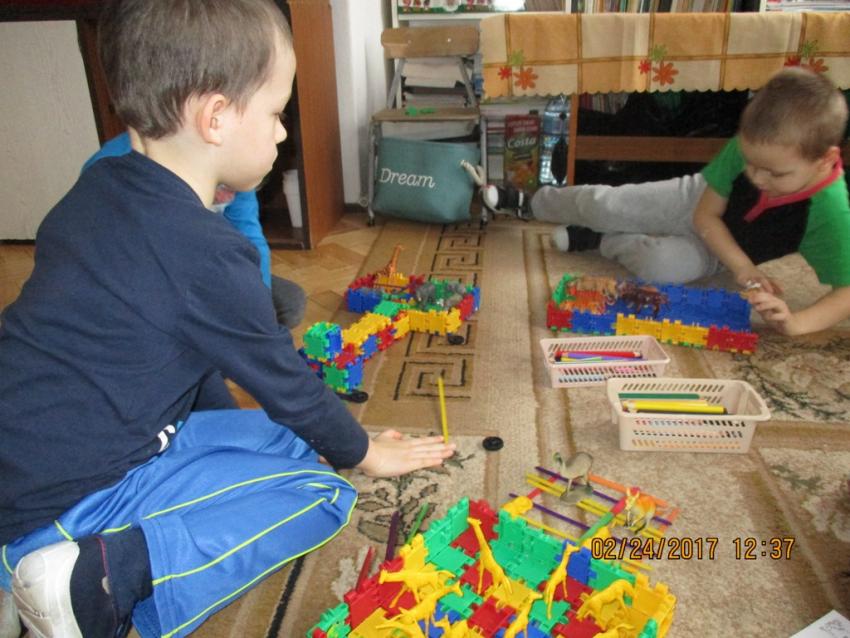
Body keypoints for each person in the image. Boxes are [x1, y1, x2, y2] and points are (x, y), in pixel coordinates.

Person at [0, 2, 456, 637]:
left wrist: (246, 441)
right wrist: (366, 453)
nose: (281, 134)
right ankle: (96, 577)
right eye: (275, 113)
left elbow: (189, 363)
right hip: (66, 498)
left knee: (298, 442)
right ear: (215, 117)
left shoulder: (95, 190)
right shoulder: (207, 253)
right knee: (324, 489)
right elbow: (286, 386)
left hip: (25, 457)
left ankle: (21, 567)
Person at [485, 67, 850, 336]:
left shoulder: (830, 211)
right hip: (694, 202)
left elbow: (846, 292)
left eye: (776, 174)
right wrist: (743, 268)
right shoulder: (755, 144)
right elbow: (706, 216)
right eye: (751, 164)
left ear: (825, 160)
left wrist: (796, 322)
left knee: (659, 266)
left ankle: (599, 239)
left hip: (718, 253)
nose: (758, 179)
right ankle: (532, 202)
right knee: (608, 205)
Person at [83, 130, 307, 329]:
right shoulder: (114, 169)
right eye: (224, 186)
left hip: (200, 268)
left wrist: (261, 306)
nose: (229, 197)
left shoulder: (239, 163)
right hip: (138, 282)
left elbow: (251, 239)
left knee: (288, 302)